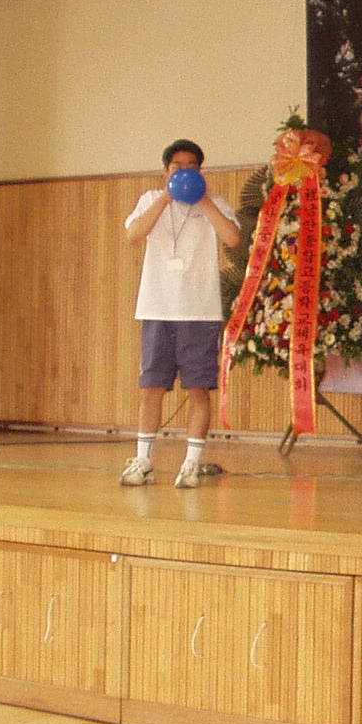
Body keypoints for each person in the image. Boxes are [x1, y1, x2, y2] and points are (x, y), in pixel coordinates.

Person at [120, 139, 242, 488]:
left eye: (192, 166)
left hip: (199, 311)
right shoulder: (150, 200)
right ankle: (143, 461)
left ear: (200, 170)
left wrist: (202, 200)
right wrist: (165, 198)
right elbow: (133, 235)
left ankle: (191, 463)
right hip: (157, 307)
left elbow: (233, 238)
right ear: (166, 170)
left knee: (198, 389)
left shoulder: (215, 202)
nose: (185, 171)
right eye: (177, 166)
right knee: (151, 387)